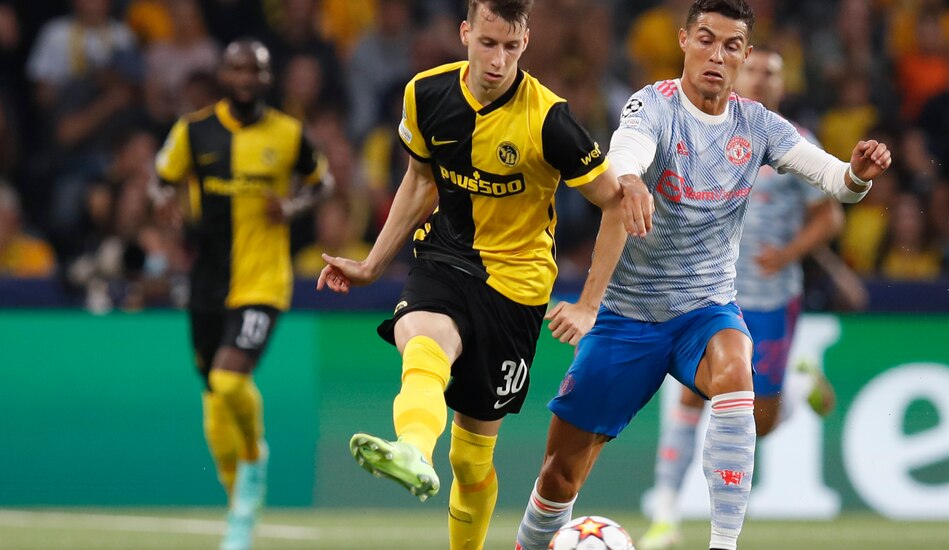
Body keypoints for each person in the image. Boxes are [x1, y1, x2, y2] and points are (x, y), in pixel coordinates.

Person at [514, 2, 891, 549]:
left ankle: (723, 544)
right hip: (627, 316)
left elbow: (835, 182)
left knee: (738, 365)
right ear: (684, 40)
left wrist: (858, 174)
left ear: (745, 55)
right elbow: (625, 156)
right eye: (707, 40)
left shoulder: (757, 125)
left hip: (704, 309)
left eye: (731, 45)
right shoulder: (653, 106)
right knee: (560, 475)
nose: (717, 54)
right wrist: (631, 180)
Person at [314, 1, 651, 549]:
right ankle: (412, 450)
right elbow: (420, 182)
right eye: (488, 44)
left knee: (471, 459)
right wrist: (374, 263)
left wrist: (589, 304)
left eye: (512, 47)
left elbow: (614, 203)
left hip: (515, 289)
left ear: (526, 41)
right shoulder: (425, 94)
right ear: (465, 32)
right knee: (422, 339)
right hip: (444, 258)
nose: (498, 60)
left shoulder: (550, 120)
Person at [636, 46, 844, 550]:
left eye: (772, 73)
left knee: (759, 420)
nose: (760, 79)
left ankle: (793, 388)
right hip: (705, 292)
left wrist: (790, 251)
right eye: (753, 69)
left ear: (781, 85)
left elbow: (830, 215)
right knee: (692, 391)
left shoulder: (793, 144)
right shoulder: (699, 130)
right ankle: (664, 511)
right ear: (734, 71)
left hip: (769, 298)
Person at [153, 39, 332, 550]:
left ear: (267, 78)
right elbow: (160, 182)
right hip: (208, 282)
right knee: (213, 396)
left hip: (263, 280)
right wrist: (164, 203)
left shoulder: (288, 133)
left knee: (230, 381)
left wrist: (294, 207)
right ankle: (239, 504)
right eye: (237, 69)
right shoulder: (194, 130)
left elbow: (323, 182)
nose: (246, 77)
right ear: (223, 75)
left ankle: (255, 460)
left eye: (255, 69)